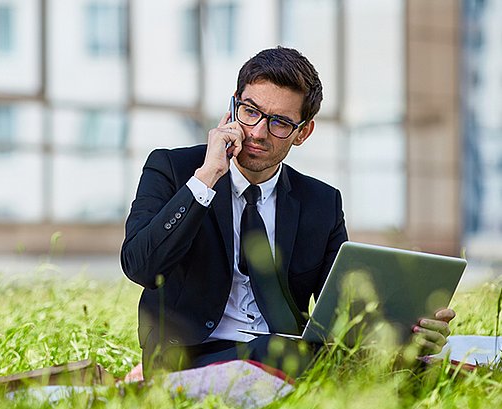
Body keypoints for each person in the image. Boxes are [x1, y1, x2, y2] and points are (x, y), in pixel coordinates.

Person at [120, 46, 454, 376]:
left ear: (302, 132)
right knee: (275, 352)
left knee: (408, 367)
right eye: (250, 111)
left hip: (289, 352)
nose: (258, 132)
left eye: (280, 122)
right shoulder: (173, 169)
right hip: (187, 356)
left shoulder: (321, 202)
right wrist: (207, 178)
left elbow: (341, 312)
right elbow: (141, 266)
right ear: (233, 106)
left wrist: (409, 337)